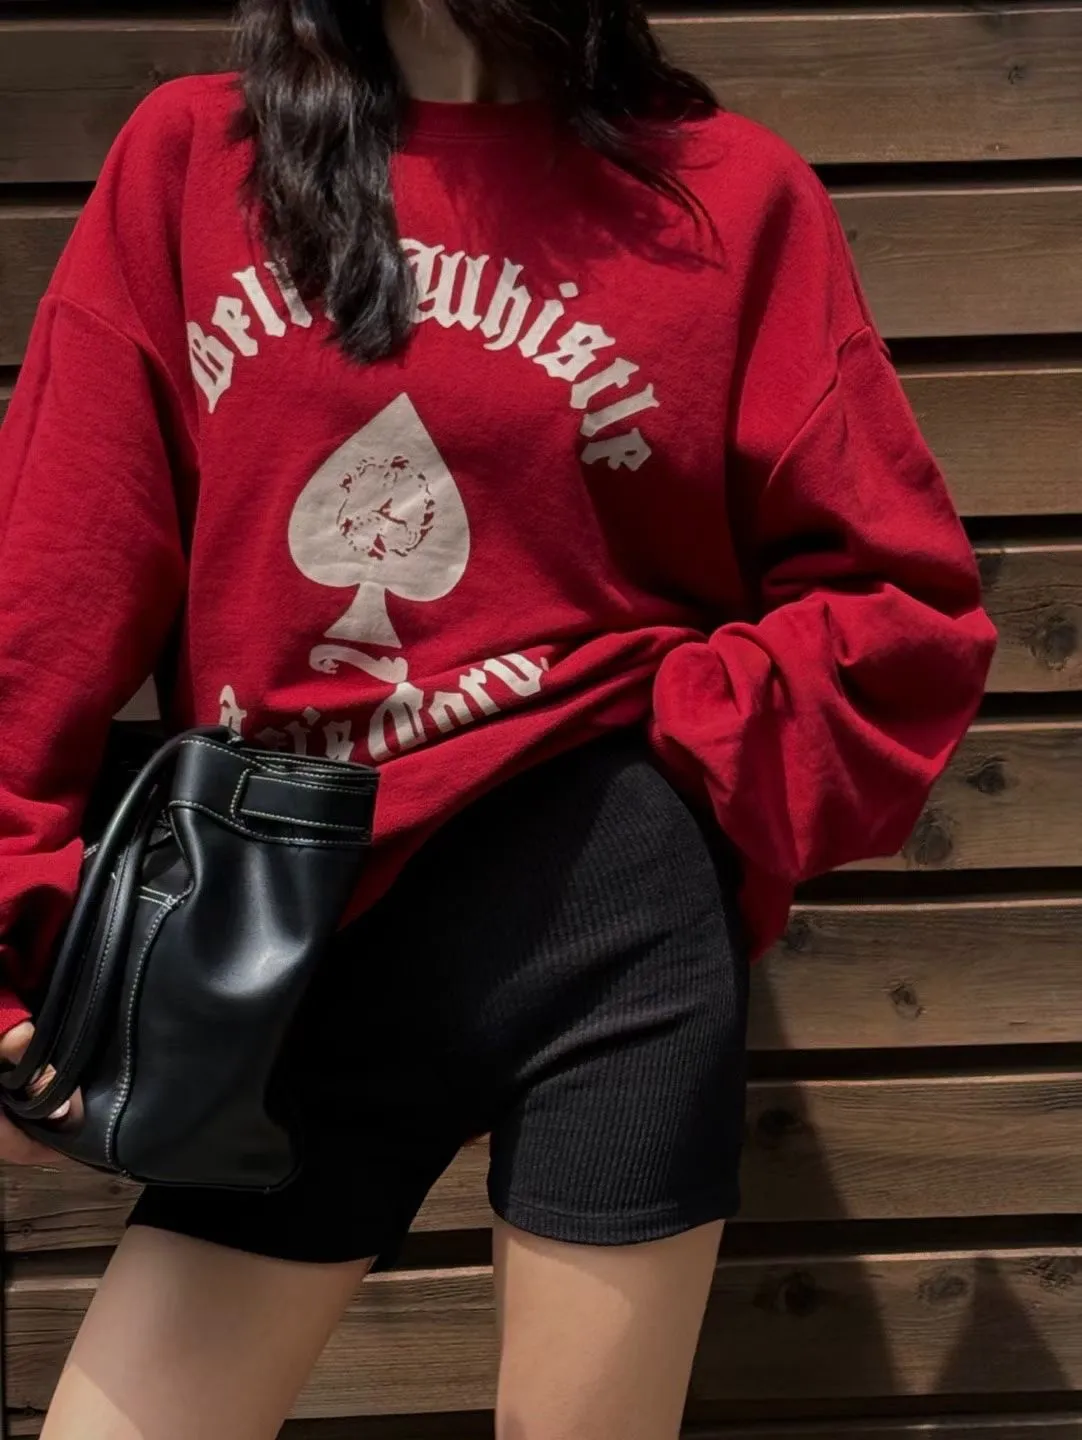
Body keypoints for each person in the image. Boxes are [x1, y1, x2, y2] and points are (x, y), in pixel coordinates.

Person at [0, 1, 996, 1436]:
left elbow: (898, 600)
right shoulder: (196, 162)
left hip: (608, 912)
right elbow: (51, 581)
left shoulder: (723, 197)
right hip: (288, 940)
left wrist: (680, 730)